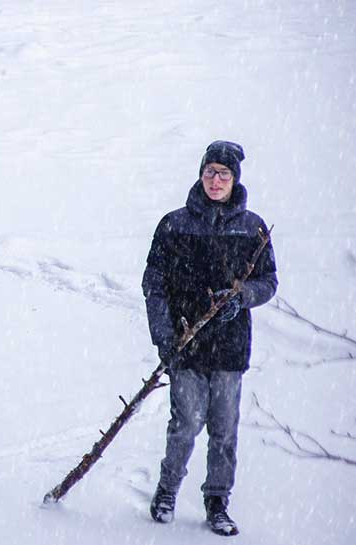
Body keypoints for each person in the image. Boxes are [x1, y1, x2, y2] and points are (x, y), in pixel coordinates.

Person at [141, 140, 277, 536]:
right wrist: (164, 337)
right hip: (185, 344)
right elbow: (154, 285)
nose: (215, 180)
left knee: (224, 428)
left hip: (230, 348)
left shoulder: (251, 227)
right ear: (200, 175)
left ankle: (217, 502)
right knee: (185, 424)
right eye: (209, 172)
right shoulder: (174, 224)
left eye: (223, 174)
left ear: (235, 179)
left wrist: (243, 298)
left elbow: (268, 281)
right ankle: (167, 490)